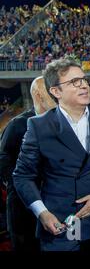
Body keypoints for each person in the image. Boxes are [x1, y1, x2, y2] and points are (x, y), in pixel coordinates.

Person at [13, 58, 90, 251]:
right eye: (74, 82)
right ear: (55, 91)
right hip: (62, 225)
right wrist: (42, 213)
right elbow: (22, 176)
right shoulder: (39, 126)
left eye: (84, 80)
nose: (84, 86)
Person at [0, 76, 56, 251]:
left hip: (52, 202)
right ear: (38, 95)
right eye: (49, 91)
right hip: (23, 206)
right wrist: (23, 184)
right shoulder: (18, 124)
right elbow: (3, 159)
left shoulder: (60, 120)